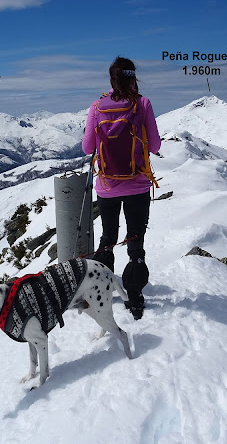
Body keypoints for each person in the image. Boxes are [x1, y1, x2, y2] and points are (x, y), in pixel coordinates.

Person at [82, 56, 161, 320]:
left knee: (108, 239)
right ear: (133, 77)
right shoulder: (143, 104)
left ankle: (100, 293)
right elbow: (156, 146)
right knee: (135, 241)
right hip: (137, 185)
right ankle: (135, 297)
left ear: (111, 79)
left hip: (106, 187)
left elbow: (87, 148)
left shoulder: (97, 107)